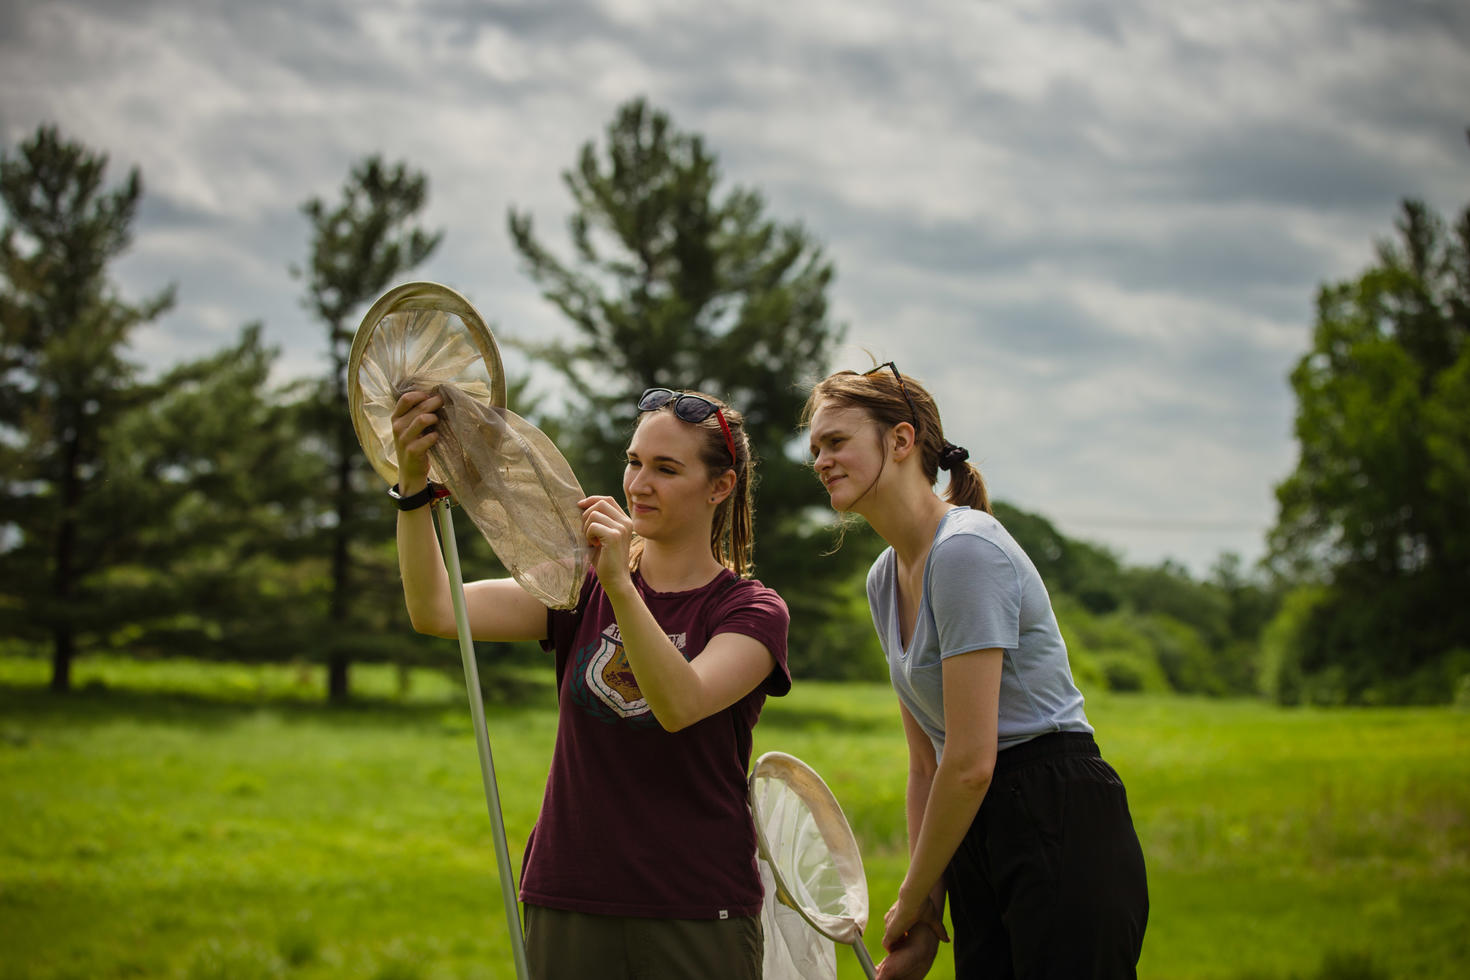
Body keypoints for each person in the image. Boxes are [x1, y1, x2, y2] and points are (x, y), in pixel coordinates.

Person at [391, 385, 791, 980]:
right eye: (633, 462)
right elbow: (435, 610)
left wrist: (622, 587)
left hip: (697, 908)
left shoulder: (750, 612)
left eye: (666, 468)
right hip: (568, 894)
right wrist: (414, 485)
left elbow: (679, 703)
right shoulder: (582, 582)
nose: (638, 484)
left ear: (720, 487)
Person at [803, 363, 1148, 980]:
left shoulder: (965, 550)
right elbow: (926, 764)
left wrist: (908, 896)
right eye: (815, 449)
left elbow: (969, 761)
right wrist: (926, 910)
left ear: (901, 441)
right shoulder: (883, 579)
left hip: (1055, 809)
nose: (821, 460)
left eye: (836, 442)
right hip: (976, 823)